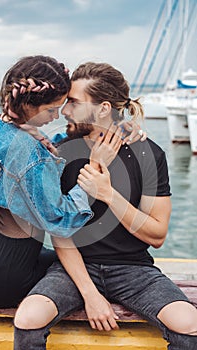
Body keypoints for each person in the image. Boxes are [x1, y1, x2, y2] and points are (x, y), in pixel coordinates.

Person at [14, 62, 197, 350]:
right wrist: (91, 295)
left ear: (103, 108)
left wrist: (108, 193)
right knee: (28, 317)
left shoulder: (148, 154)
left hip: (134, 269)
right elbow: (59, 233)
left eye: (74, 103)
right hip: (74, 269)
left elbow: (157, 235)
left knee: (189, 322)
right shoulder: (59, 154)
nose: (64, 111)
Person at [0, 55, 95, 309]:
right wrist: (92, 179)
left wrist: (82, 135)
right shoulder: (28, 150)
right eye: (50, 109)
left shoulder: (4, 124)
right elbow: (60, 219)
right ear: (26, 103)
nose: (56, 115)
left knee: (70, 263)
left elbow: (40, 148)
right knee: (91, 272)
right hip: (3, 276)